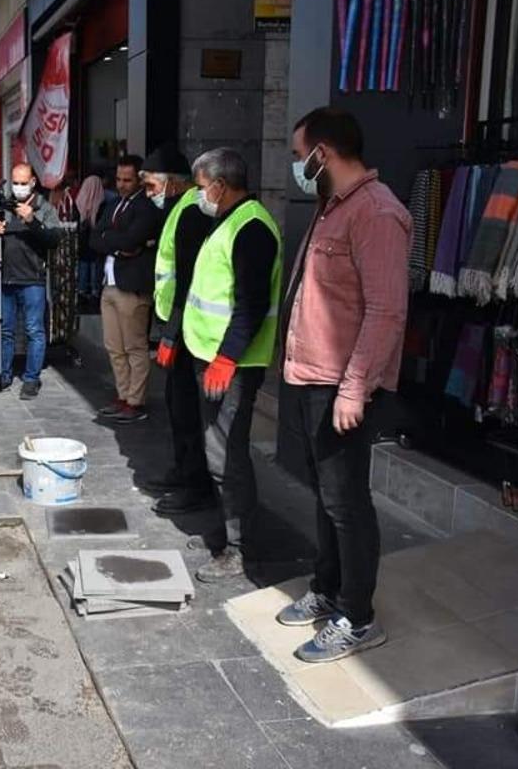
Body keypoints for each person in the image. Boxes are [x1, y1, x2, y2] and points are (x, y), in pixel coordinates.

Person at [277, 108, 410, 663]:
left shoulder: (377, 214)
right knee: (328, 500)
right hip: (309, 377)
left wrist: (354, 390)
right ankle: (328, 589)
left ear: (322, 153)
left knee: (347, 503)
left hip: (340, 384)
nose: (295, 166)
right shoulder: (333, 206)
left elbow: (385, 312)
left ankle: (358, 617)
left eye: (297, 154)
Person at [182, 148, 281, 583]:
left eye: (202, 187)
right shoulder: (226, 220)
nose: (198, 194)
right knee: (216, 450)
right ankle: (226, 533)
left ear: (220, 186)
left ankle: (239, 549)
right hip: (211, 357)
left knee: (227, 457)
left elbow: (252, 303)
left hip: (231, 365)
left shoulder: (252, 227)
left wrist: (226, 358)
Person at [146, 144, 216, 514]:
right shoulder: (180, 209)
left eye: (152, 187)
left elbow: (187, 279)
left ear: (172, 184)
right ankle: (182, 469)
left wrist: (170, 335)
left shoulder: (191, 211)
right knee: (177, 408)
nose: (149, 195)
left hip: (191, 331)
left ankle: (195, 484)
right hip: (180, 326)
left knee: (189, 413)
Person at [89, 154, 166, 424]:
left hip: (132, 286)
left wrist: (116, 241)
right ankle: (123, 395)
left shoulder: (146, 207)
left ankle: (136, 400)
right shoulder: (113, 205)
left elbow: (133, 238)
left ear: (139, 179)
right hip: (109, 283)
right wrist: (120, 244)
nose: (121, 184)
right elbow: (94, 238)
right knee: (113, 346)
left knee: (134, 346)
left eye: (127, 180)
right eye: (119, 179)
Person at [0, 163, 64, 400]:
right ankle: (2, 376)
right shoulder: (4, 206)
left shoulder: (43, 207)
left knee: (34, 330)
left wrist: (32, 222)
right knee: (4, 330)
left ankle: (31, 379)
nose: (18, 187)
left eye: (23, 182)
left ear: (33, 183)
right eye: (15, 182)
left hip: (32, 280)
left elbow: (54, 239)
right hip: (5, 279)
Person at [74, 175, 104, 306]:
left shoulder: (79, 201)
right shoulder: (102, 203)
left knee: (83, 265)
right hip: (96, 242)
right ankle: (94, 292)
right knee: (94, 266)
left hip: (83, 241)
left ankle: (81, 291)